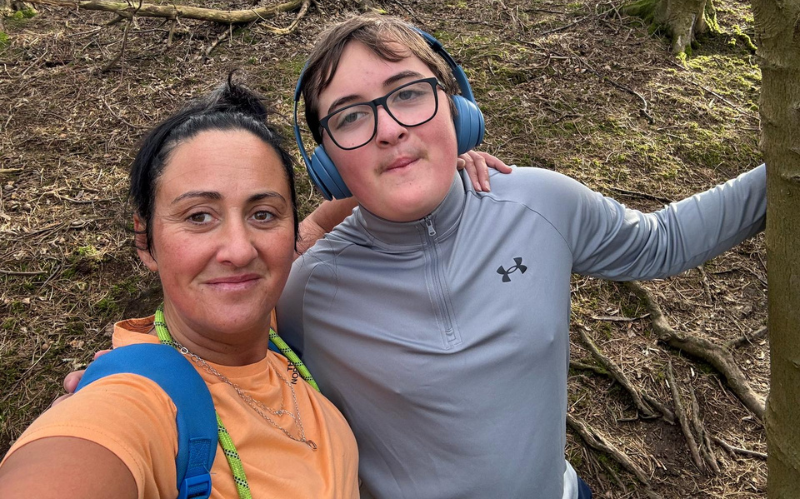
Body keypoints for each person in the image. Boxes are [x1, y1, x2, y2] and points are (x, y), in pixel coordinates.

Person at [276, 15, 768, 499]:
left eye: (408, 93)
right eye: (350, 116)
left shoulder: (540, 203)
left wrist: (785, 169)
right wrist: (312, 227)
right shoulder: (304, 292)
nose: (389, 129)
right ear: (328, 164)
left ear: (458, 111)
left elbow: (663, 241)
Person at [0, 79, 505, 499]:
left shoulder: (272, 329)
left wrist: (431, 168)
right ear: (145, 240)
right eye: (199, 216)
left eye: (263, 214)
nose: (240, 250)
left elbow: (321, 221)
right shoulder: (134, 404)